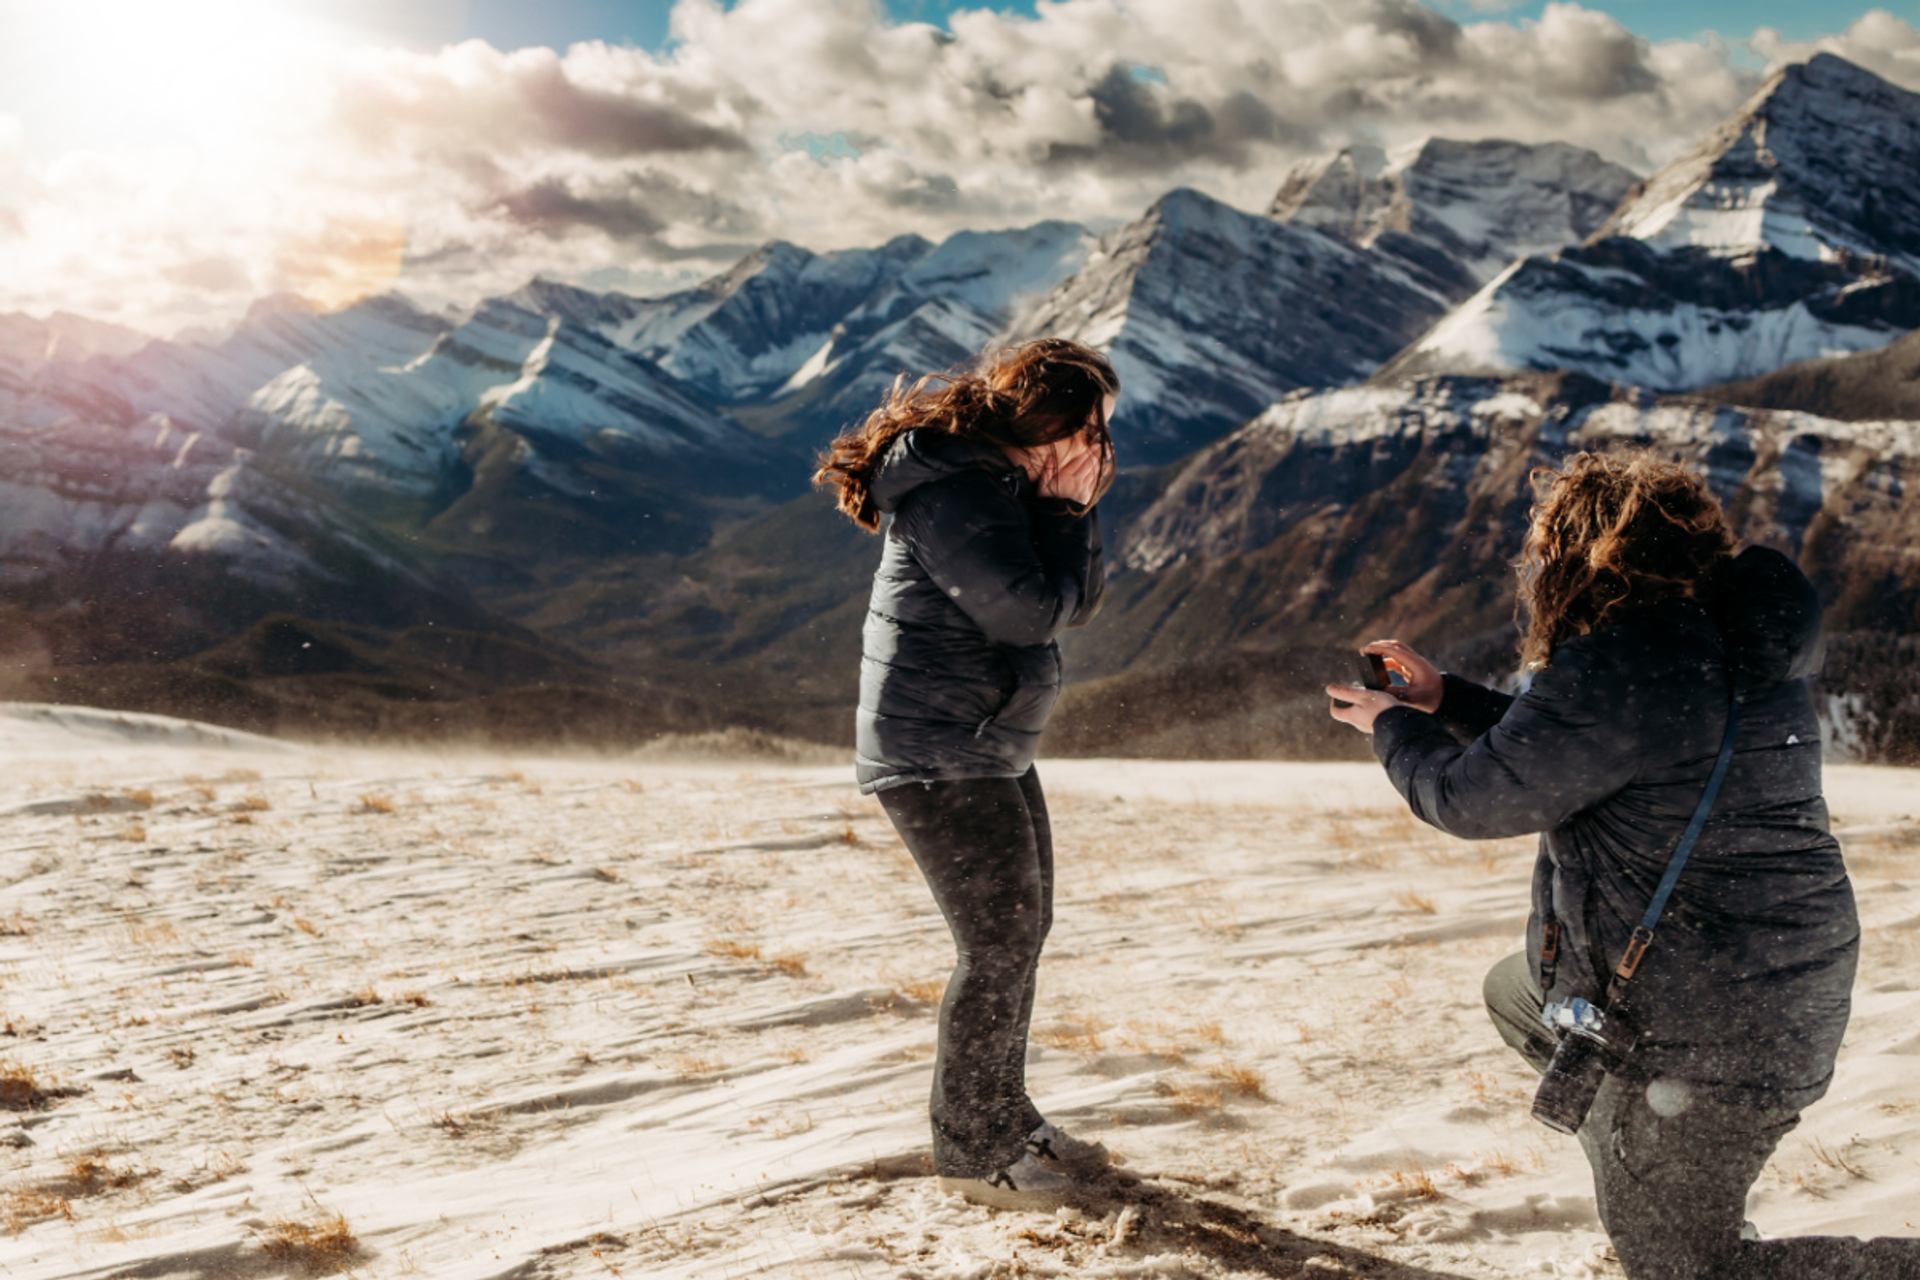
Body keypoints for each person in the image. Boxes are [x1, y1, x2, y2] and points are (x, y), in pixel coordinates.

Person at [1327, 450, 1920, 1279]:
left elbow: (1470, 799)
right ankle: (1649, 1147)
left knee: (1688, 1268)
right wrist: (1446, 699)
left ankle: (1675, 1173)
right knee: (1518, 990)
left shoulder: (1625, 663)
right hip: (1777, 989)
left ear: (1587, 559)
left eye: (1545, 552)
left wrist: (1392, 727)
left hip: (1706, 1026)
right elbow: (1591, 747)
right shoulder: (1729, 646)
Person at [813, 338, 1118, 1209]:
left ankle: (1005, 1116)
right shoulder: (954, 487)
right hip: (937, 747)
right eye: (1090, 424)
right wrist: (1064, 516)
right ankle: (973, 1151)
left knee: (1023, 933)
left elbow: (1077, 604)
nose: (1099, 444)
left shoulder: (1002, 483)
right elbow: (1026, 615)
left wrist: (1068, 511)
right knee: (996, 944)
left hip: (982, 739)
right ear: (1048, 420)